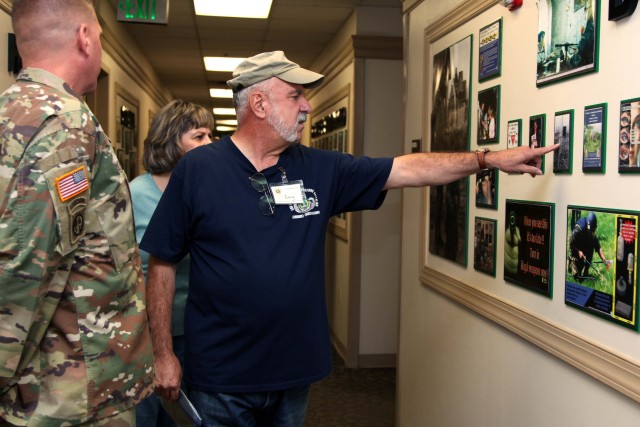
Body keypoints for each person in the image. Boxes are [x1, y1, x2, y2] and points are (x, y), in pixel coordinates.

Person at [140, 50, 558, 426]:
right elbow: (161, 263)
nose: (306, 107)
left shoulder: (320, 168)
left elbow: (408, 170)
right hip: (221, 375)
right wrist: (163, 354)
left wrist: (487, 160)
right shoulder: (199, 170)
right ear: (259, 103)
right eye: (295, 96)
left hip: (294, 372)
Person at [0, 1, 154, 425]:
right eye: (101, 37)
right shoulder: (62, 124)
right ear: (85, 38)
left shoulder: (13, 110)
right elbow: (26, 268)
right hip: (67, 393)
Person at [131, 99, 214, 426]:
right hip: (147, 334)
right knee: (148, 416)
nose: (211, 144)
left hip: (199, 331)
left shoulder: (207, 192)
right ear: (170, 140)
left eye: (211, 135)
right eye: (199, 136)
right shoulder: (136, 194)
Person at [569, 212, 610, 282]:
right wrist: (578, 251)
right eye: (591, 231)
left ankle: (586, 272)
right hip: (576, 246)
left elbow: (598, 247)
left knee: (592, 245)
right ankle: (572, 263)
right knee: (576, 274)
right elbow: (571, 243)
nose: (593, 233)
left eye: (593, 231)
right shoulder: (578, 228)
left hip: (584, 245)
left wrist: (604, 260)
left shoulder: (592, 232)